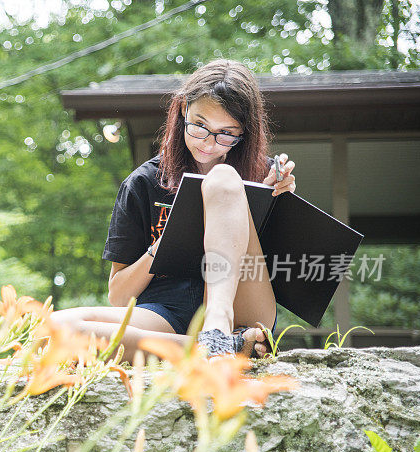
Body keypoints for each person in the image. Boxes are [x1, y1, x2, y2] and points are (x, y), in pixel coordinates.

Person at [52, 59, 297, 360]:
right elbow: (118, 295)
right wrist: (163, 243)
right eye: (200, 126)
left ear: (244, 131)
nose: (209, 143)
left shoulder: (264, 174)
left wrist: (274, 201)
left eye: (226, 133)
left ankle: (218, 328)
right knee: (53, 329)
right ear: (183, 110)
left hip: (238, 308)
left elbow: (288, 270)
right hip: (165, 314)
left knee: (222, 177)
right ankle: (222, 347)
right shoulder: (143, 183)